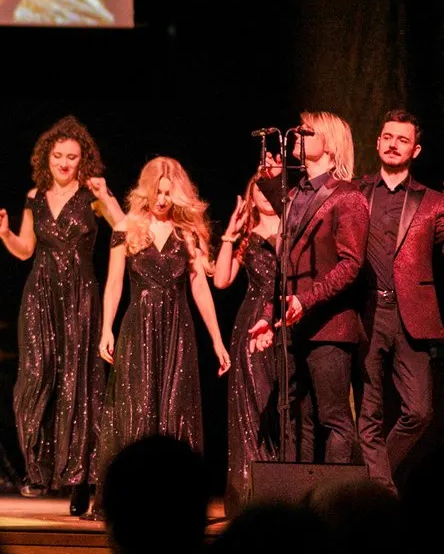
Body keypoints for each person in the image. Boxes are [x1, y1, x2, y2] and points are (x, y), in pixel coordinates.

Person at [0, 115, 123, 514]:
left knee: (80, 384)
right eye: (58, 156)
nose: (64, 163)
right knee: (35, 378)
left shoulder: (92, 195)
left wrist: (107, 196)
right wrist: (4, 234)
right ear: (46, 159)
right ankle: (39, 468)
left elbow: (126, 228)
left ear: (83, 160)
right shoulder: (34, 196)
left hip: (81, 296)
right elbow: (26, 249)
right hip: (40, 296)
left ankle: (81, 478)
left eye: (72, 157)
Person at [98, 157, 229, 520]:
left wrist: (217, 340)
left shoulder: (187, 235)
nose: (162, 200)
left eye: (169, 194)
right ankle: (131, 500)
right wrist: (106, 328)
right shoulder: (126, 227)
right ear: (147, 189)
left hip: (177, 331)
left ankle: (174, 502)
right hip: (138, 328)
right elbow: (113, 284)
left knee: (174, 409)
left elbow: (200, 289)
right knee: (136, 408)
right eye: (158, 192)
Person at [257, 111, 368, 465]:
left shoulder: (347, 196)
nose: (297, 137)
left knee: (333, 417)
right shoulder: (295, 196)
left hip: (330, 327)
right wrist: (268, 313)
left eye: (308, 132)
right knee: (294, 415)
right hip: (294, 323)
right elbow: (285, 265)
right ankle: (296, 504)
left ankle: (334, 506)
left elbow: (351, 264)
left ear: (330, 145)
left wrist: (305, 300)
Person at [354, 110, 444, 492]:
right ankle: (381, 494)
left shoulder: (435, 202)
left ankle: (372, 480)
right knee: (368, 412)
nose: (393, 144)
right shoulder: (355, 192)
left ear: (416, 149)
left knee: (420, 410)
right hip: (367, 311)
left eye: (402, 139)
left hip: (413, 316)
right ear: (377, 142)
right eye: (387, 136)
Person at [213, 172, 282, 516]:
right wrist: (230, 233)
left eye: (272, 189)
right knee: (250, 408)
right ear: (250, 195)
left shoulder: (293, 226)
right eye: (259, 190)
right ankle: (247, 497)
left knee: (280, 406)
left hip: (286, 321)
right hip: (250, 327)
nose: (266, 196)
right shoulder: (247, 236)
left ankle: (278, 494)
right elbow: (222, 280)